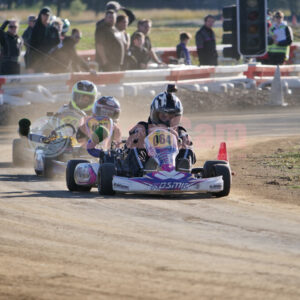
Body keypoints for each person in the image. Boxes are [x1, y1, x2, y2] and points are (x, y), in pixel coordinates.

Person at [125, 85, 196, 176]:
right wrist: (138, 139)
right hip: (147, 160)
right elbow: (129, 146)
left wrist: (183, 142)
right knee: (136, 145)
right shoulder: (143, 127)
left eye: (173, 117)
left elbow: (190, 150)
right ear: (154, 113)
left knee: (187, 143)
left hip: (174, 163)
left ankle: (183, 170)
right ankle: (143, 172)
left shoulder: (179, 131)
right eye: (164, 116)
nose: (168, 120)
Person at [28, 7, 60, 72]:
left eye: (47, 15)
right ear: (40, 15)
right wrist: (30, 65)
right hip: (38, 60)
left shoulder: (53, 29)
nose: (46, 17)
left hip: (50, 60)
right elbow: (31, 47)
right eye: (44, 15)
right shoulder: (36, 29)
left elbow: (57, 43)